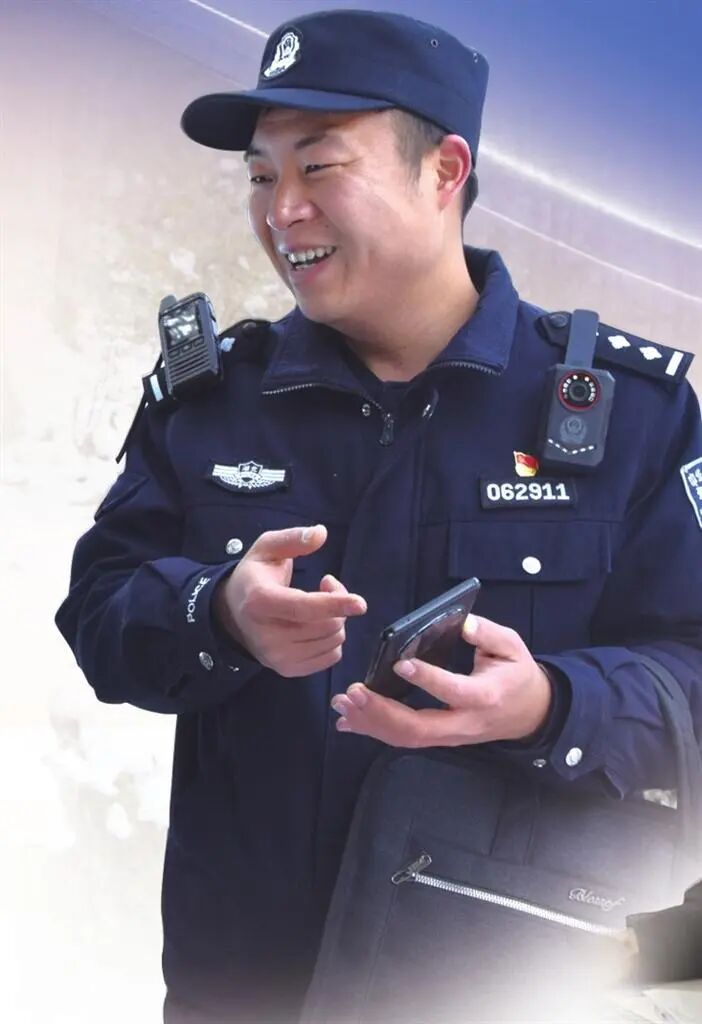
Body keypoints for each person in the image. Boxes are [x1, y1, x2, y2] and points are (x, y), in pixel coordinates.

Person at [55, 8, 702, 1023]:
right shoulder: (209, 401)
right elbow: (98, 616)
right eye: (261, 176)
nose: (282, 211)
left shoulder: (628, 416)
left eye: (320, 166)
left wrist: (552, 706)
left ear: (445, 171)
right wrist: (216, 611)